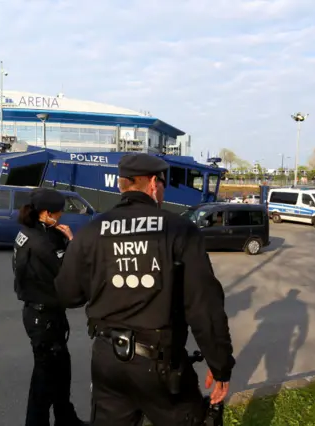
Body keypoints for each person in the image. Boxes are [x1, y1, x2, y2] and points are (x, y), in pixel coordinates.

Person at [54, 153, 235, 425]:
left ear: (121, 185)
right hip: (159, 364)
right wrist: (220, 364)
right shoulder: (179, 230)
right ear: (153, 183)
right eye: (163, 183)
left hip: (107, 361)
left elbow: (68, 294)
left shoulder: (92, 232)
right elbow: (204, 306)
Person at [12, 188, 88, 426]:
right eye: (58, 212)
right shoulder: (41, 242)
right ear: (45, 213)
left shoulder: (29, 232)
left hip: (43, 312)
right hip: (43, 317)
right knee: (44, 378)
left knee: (61, 371)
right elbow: (70, 270)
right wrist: (72, 241)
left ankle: (66, 417)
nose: (61, 216)